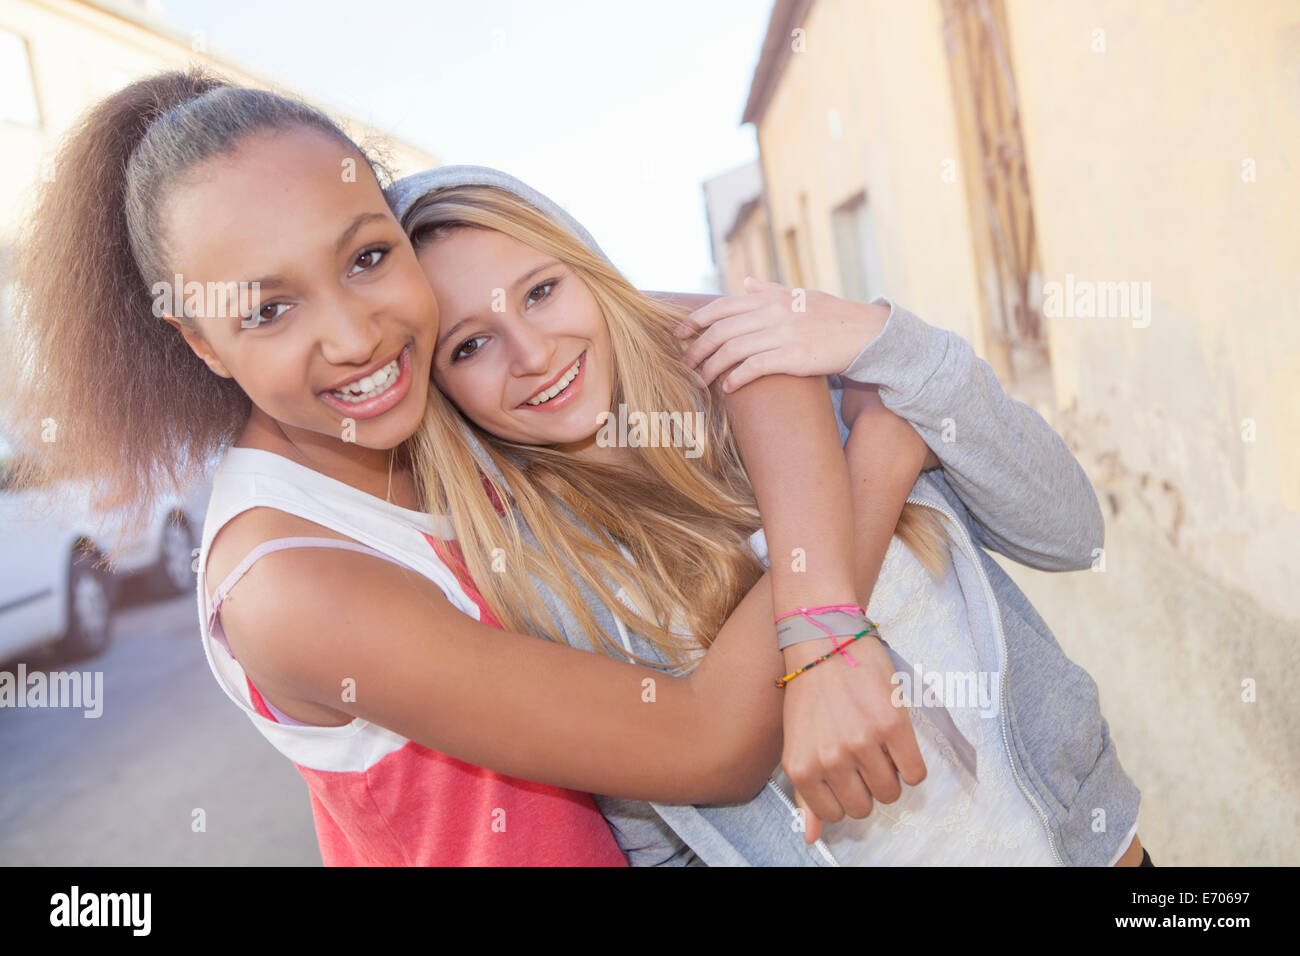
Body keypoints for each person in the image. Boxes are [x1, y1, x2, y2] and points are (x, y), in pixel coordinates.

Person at [0, 68, 919, 866]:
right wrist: (873, 467)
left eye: (366, 257)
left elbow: (740, 345)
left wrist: (812, 602)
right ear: (199, 342)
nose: (356, 335)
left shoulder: (448, 366)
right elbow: (709, 743)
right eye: (268, 313)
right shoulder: (287, 588)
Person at [389, 166, 1151, 866]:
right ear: (440, 387)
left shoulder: (809, 378)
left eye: (541, 292)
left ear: (589, 271)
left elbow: (1072, 535)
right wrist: (880, 459)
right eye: (472, 345)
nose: (531, 353)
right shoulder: (547, 578)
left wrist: (891, 343)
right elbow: (667, 842)